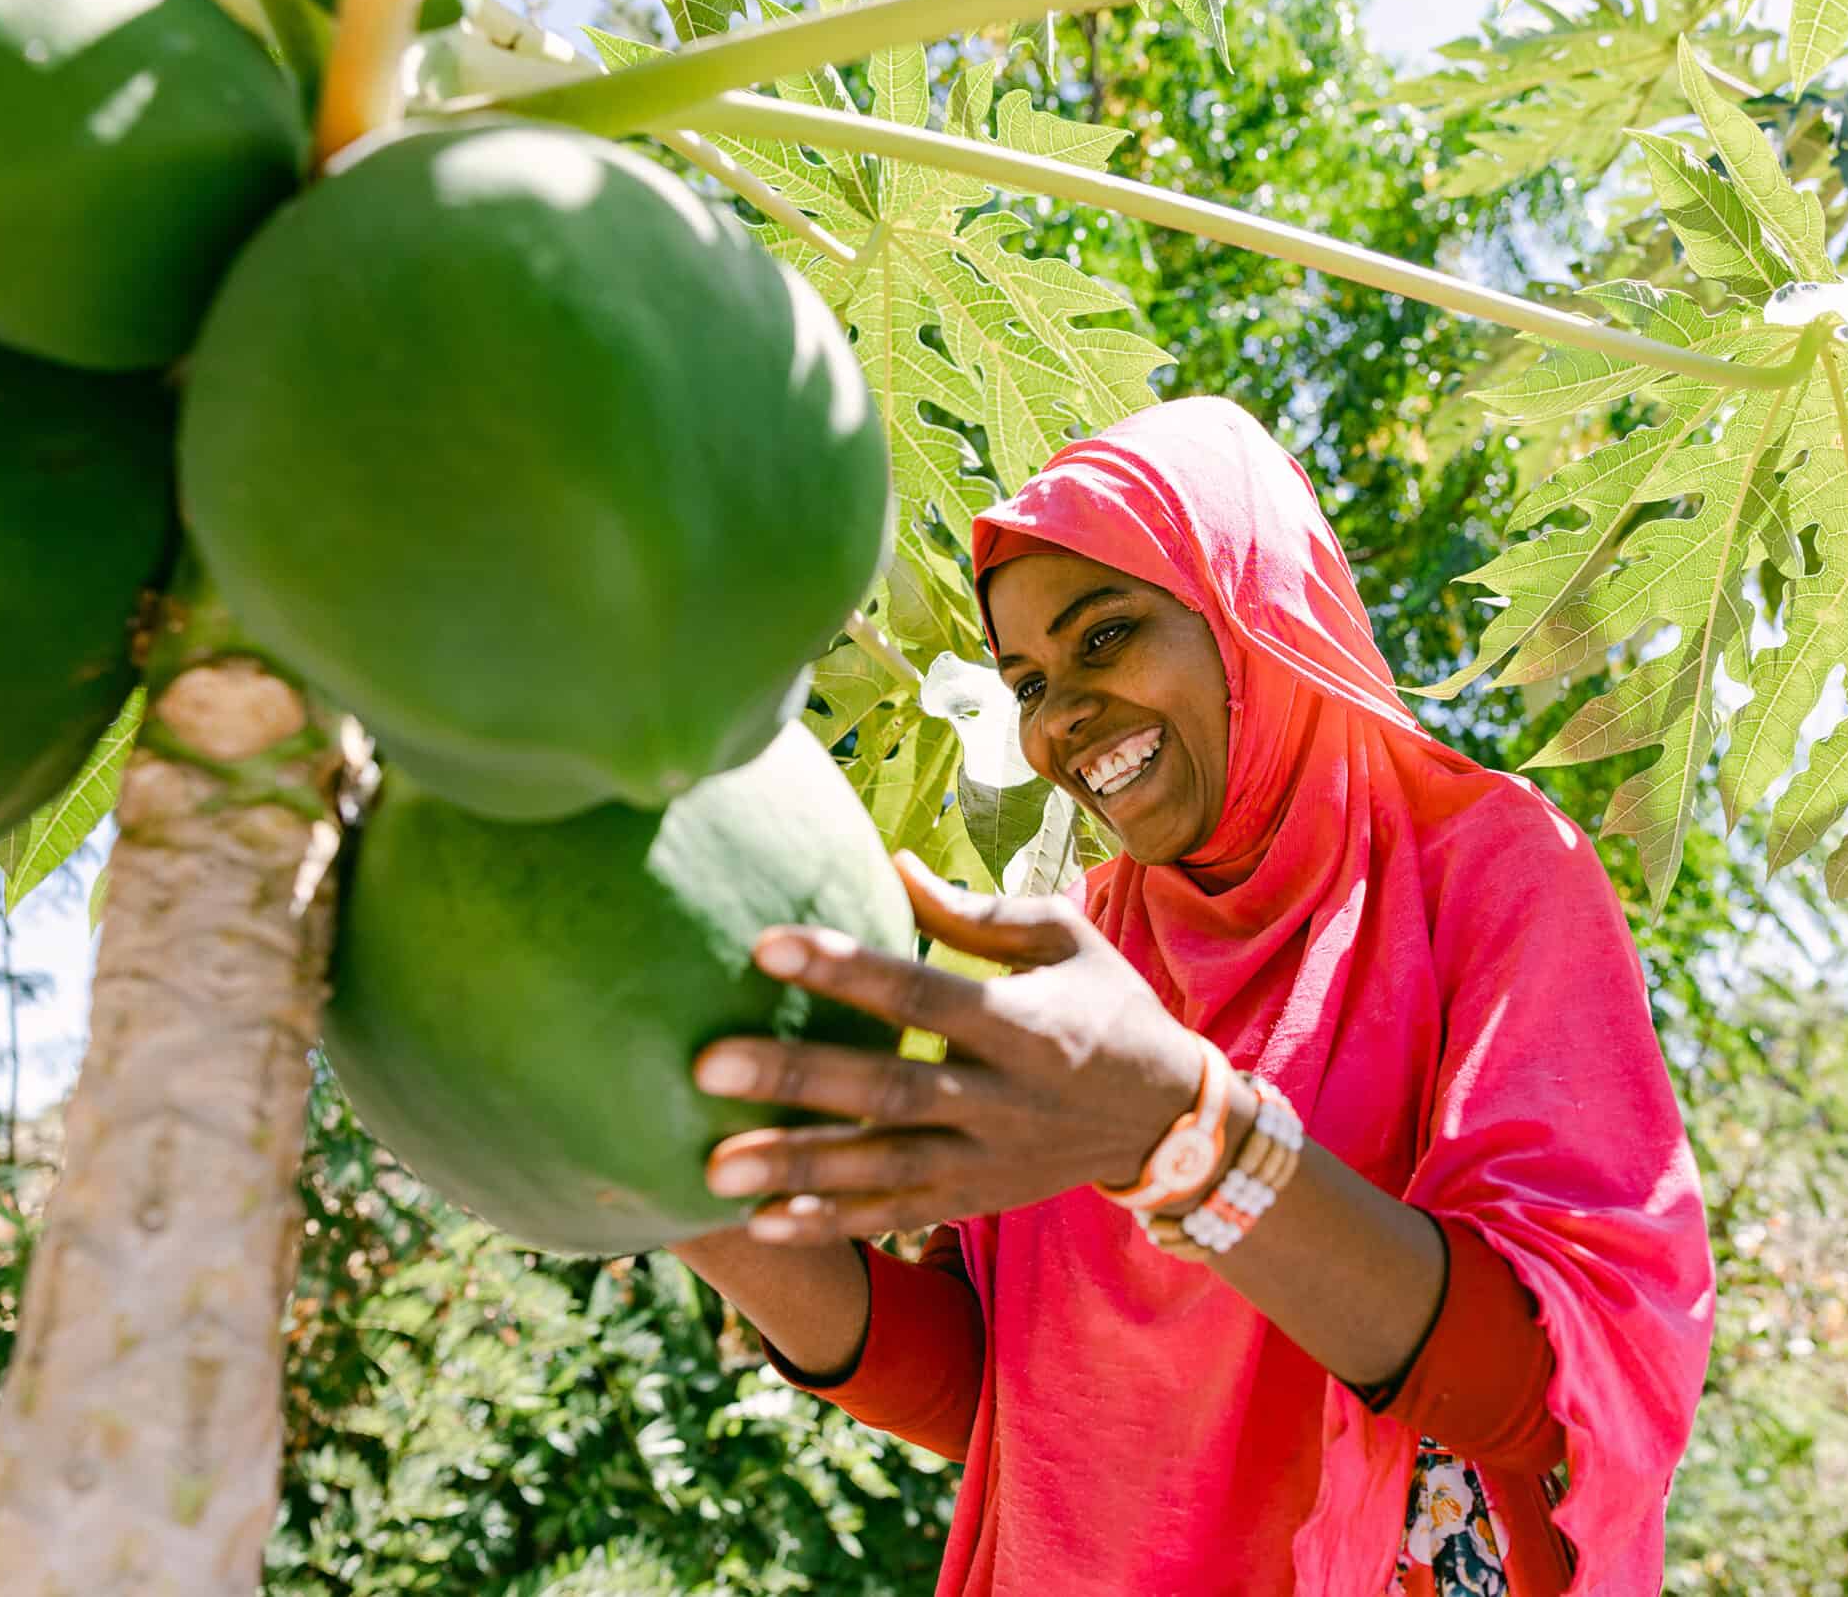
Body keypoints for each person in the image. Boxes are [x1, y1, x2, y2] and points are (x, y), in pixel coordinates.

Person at [670, 397, 1715, 1595]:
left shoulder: (1482, 867)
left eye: (1105, 637)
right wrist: (669, 1184)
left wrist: (1189, 1141)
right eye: (1026, 680)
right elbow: (999, 1390)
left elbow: (1558, 1387)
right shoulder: (1087, 946)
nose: (1058, 719)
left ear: (1249, 610)